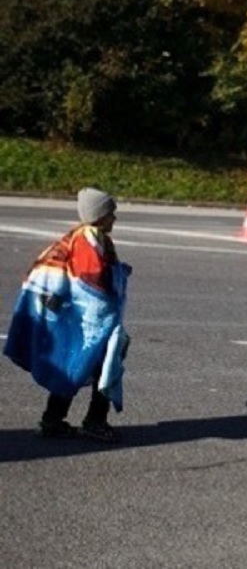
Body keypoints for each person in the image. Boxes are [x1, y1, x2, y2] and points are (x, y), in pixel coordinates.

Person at [4, 187, 131, 442]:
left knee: (73, 365)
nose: (114, 219)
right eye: (111, 214)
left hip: (76, 319)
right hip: (89, 321)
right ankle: (94, 422)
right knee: (103, 365)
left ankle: (52, 420)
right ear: (99, 216)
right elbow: (90, 284)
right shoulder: (88, 240)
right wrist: (110, 301)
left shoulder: (86, 236)